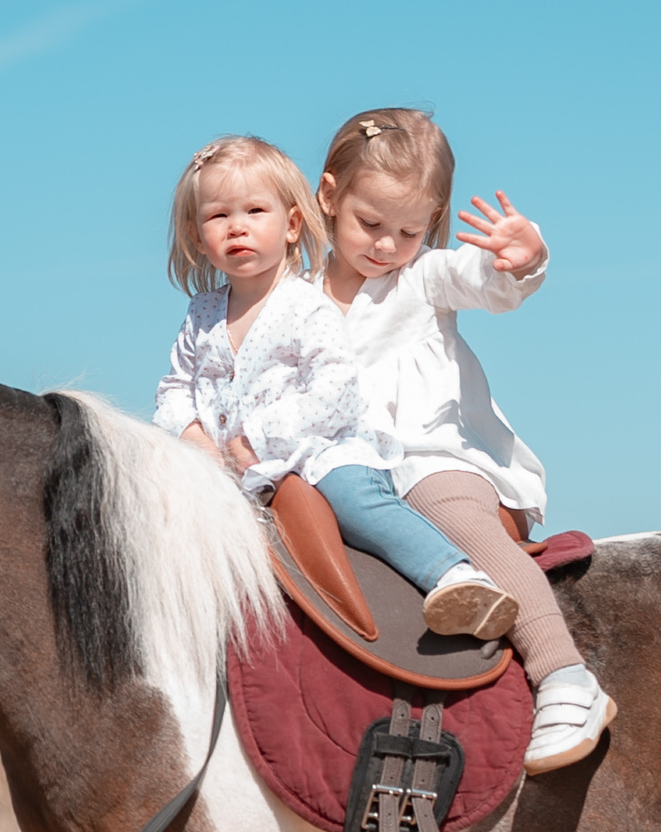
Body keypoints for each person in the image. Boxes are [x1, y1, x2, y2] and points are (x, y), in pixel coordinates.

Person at [314, 107, 615, 774]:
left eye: (410, 229)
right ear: (329, 195)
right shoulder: (296, 298)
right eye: (371, 223)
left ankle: (563, 673)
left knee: (455, 520)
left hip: (429, 459)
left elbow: (484, 281)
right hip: (336, 469)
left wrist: (520, 259)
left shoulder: (423, 280)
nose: (387, 244)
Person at [152, 135, 517, 639]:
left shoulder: (305, 304)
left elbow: (337, 388)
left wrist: (259, 435)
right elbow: (175, 385)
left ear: (292, 224)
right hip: (235, 464)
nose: (238, 226)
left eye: (256, 210)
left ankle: (452, 572)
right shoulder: (202, 315)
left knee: (350, 497)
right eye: (218, 216)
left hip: (321, 448)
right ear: (197, 236)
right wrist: (193, 437)